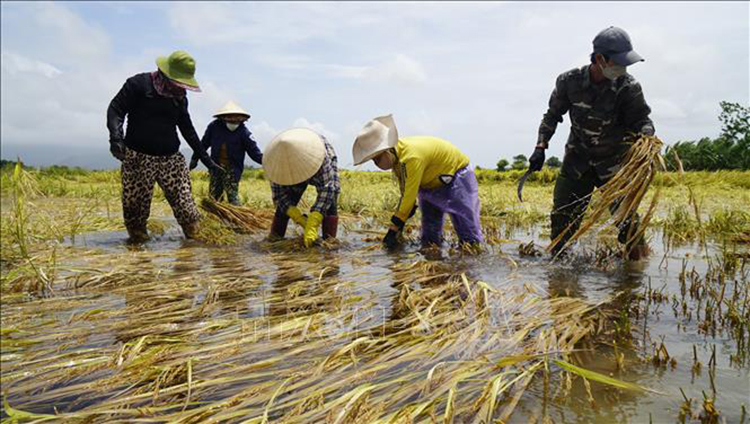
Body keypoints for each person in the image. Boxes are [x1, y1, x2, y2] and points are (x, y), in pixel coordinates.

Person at [530, 27, 654, 260]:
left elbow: (641, 120)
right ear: (600, 59)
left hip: (614, 166)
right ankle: (559, 270)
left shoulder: (628, 87)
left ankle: (636, 272)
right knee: (562, 219)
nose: (623, 68)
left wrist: (648, 138)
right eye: (618, 62)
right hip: (577, 161)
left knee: (628, 223)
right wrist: (540, 147)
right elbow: (552, 115)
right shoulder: (569, 81)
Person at [107, 50, 224, 242]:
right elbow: (115, 110)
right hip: (138, 157)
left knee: (187, 209)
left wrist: (207, 160)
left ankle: (192, 252)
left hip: (171, 159)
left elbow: (187, 129)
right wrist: (116, 138)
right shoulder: (138, 85)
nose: (182, 89)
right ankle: (140, 256)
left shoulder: (179, 98)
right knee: (135, 210)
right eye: (179, 83)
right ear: (165, 74)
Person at [353, 114, 483, 250]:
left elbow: (408, 196)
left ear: (387, 151)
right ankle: (432, 256)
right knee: (430, 230)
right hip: (430, 184)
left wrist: (393, 229)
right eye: (373, 161)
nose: (377, 164)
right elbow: (405, 192)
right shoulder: (398, 159)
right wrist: (402, 219)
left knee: (465, 226)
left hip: (456, 176)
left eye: (377, 159)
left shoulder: (411, 157)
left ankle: (471, 259)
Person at [263, 128, 340, 247]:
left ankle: (329, 242)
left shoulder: (321, 158)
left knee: (331, 201)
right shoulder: (274, 163)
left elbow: (327, 189)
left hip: (319, 159)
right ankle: (275, 238)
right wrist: (297, 216)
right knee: (287, 201)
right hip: (288, 167)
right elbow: (279, 196)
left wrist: (314, 220)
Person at [189, 101, 263, 205]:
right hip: (215, 166)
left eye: (236, 120)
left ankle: (236, 216)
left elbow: (255, 153)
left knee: (233, 197)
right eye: (230, 119)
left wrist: (268, 162)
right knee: (214, 197)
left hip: (233, 169)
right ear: (223, 118)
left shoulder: (244, 133)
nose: (233, 122)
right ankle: (217, 217)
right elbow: (203, 144)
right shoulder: (214, 127)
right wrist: (194, 158)